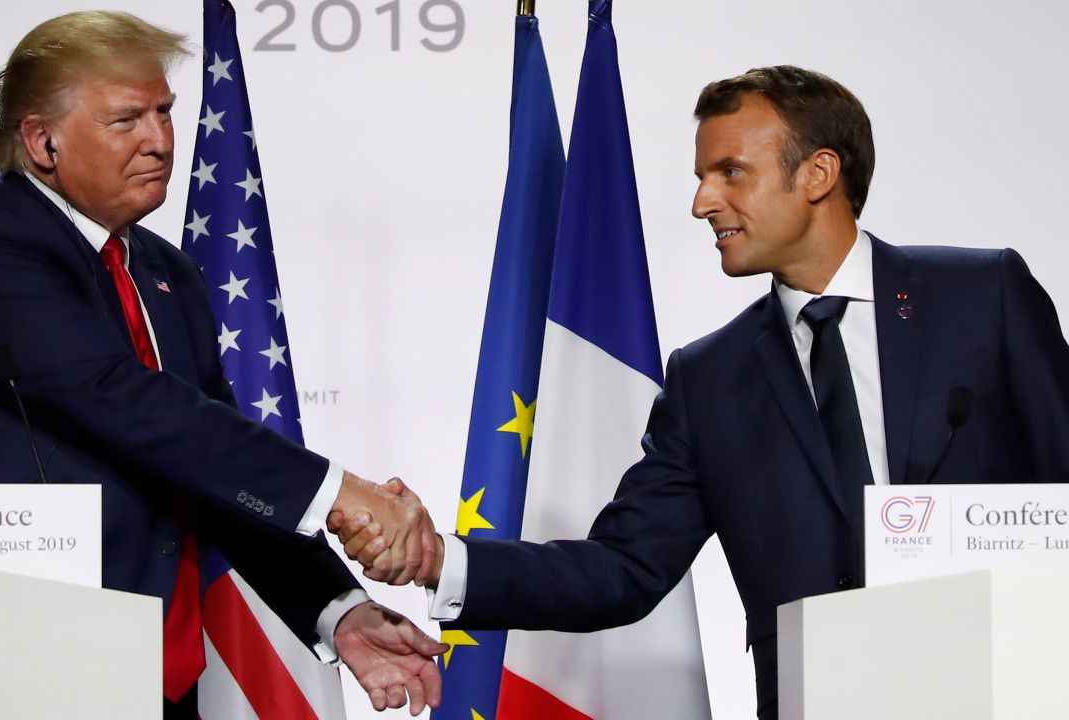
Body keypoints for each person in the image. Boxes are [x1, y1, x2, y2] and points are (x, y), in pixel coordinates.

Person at [334, 65, 1069, 719]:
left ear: (817, 175)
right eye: (700, 177)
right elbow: (623, 569)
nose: (701, 203)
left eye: (728, 173)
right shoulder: (710, 378)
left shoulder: (982, 297)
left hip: (1011, 690)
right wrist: (442, 560)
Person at [0, 11, 442, 718]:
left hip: (141, 670)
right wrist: (341, 491)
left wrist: (338, 610)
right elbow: (113, 394)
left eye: (165, 113)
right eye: (126, 120)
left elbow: (213, 462)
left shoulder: (166, 271)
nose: (160, 140)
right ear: (42, 141)